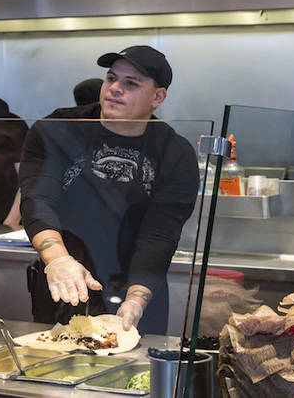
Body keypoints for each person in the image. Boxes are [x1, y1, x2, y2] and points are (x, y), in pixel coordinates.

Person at [20, 45, 199, 335]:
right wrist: (58, 260)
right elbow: (39, 198)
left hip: (138, 288)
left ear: (158, 97)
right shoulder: (59, 129)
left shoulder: (174, 153)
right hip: (66, 281)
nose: (115, 88)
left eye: (131, 83)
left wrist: (137, 299)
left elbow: (160, 234)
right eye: (111, 78)